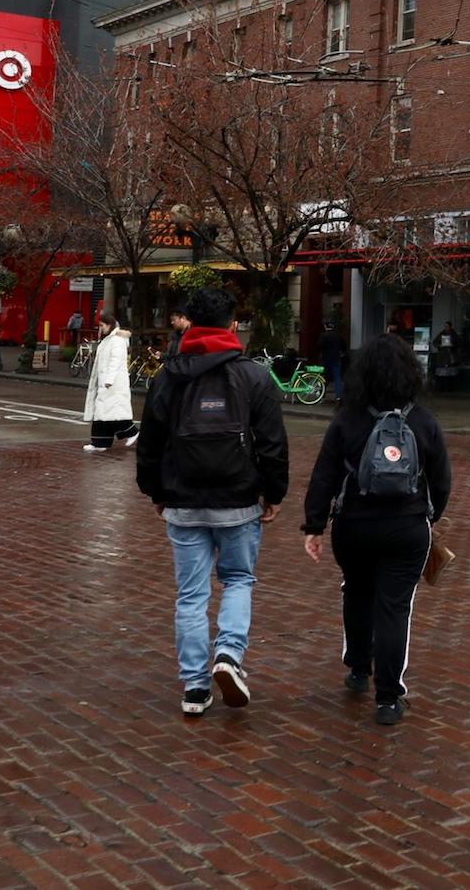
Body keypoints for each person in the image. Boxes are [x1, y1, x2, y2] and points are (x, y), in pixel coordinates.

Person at [132, 287, 289, 716]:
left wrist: (155, 492)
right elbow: (273, 443)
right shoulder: (253, 376)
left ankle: (196, 686)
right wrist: (273, 493)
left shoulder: (168, 376)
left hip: (182, 499)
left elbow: (150, 443)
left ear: (189, 323)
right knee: (238, 579)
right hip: (238, 498)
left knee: (190, 595)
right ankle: (229, 655)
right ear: (232, 325)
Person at [300, 335, 452, 726]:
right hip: (407, 528)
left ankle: (357, 667)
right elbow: (442, 482)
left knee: (357, 590)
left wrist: (314, 524)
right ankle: (388, 697)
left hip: (354, 526)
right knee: (394, 607)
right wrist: (428, 518)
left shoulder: (347, 419)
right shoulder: (423, 421)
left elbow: (324, 475)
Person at [82, 315, 136, 453]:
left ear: (109, 325)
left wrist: (109, 380)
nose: (100, 328)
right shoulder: (108, 340)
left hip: (113, 384)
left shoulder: (116, 341)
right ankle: (100, 442)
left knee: (112, 413)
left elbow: (115, 361)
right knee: (103, 413)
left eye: (102, 325)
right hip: (106, 383)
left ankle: (131, 432)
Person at [319, 321, 344, 389]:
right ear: (333, 327)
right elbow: (343, 345)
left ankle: (322, 394)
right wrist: (342, 353)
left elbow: (320, 346)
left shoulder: (323, 335)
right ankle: (339, 396)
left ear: (325, 327)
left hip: (325, 358)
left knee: (324, 377)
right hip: (336, 358)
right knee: (337, 377)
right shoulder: (338, 335)